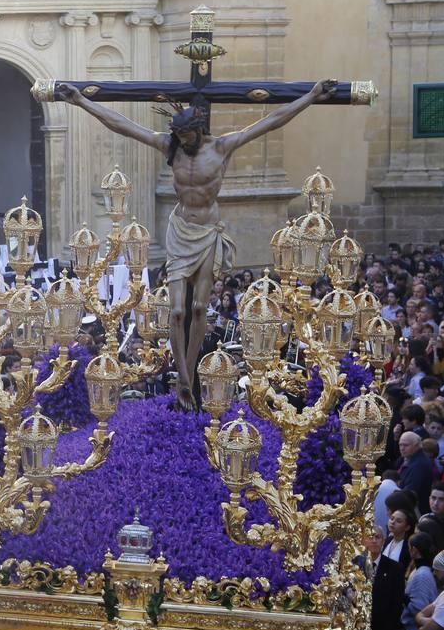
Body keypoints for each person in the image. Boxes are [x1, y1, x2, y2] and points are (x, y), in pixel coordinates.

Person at [52, 76, 337, 408]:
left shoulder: (222, 147)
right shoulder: (170, 147)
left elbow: (271, 121)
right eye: (178, 135)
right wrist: (82, 102)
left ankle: (190, 379)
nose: (181, 139)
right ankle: (183, 380)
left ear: (198, 130)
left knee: (199, 307)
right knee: (175, 311)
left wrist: (311, 97)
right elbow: (124, 126)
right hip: (180, 230)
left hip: (207, 232)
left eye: (186, 134)